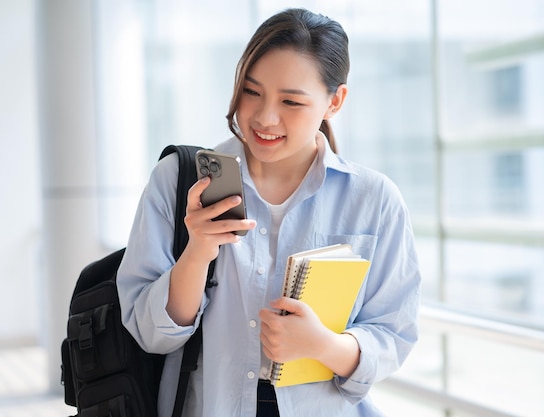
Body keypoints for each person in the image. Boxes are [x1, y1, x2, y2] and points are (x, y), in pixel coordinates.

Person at [117, 7, 421, 417]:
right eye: (252, 91)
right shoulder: (177, 180)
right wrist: (197, 252)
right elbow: (149, 334)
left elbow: (393, 334)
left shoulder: (374, 199)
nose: (263, 117)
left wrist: (323, 345)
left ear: (335, 101)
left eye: (291, 101)